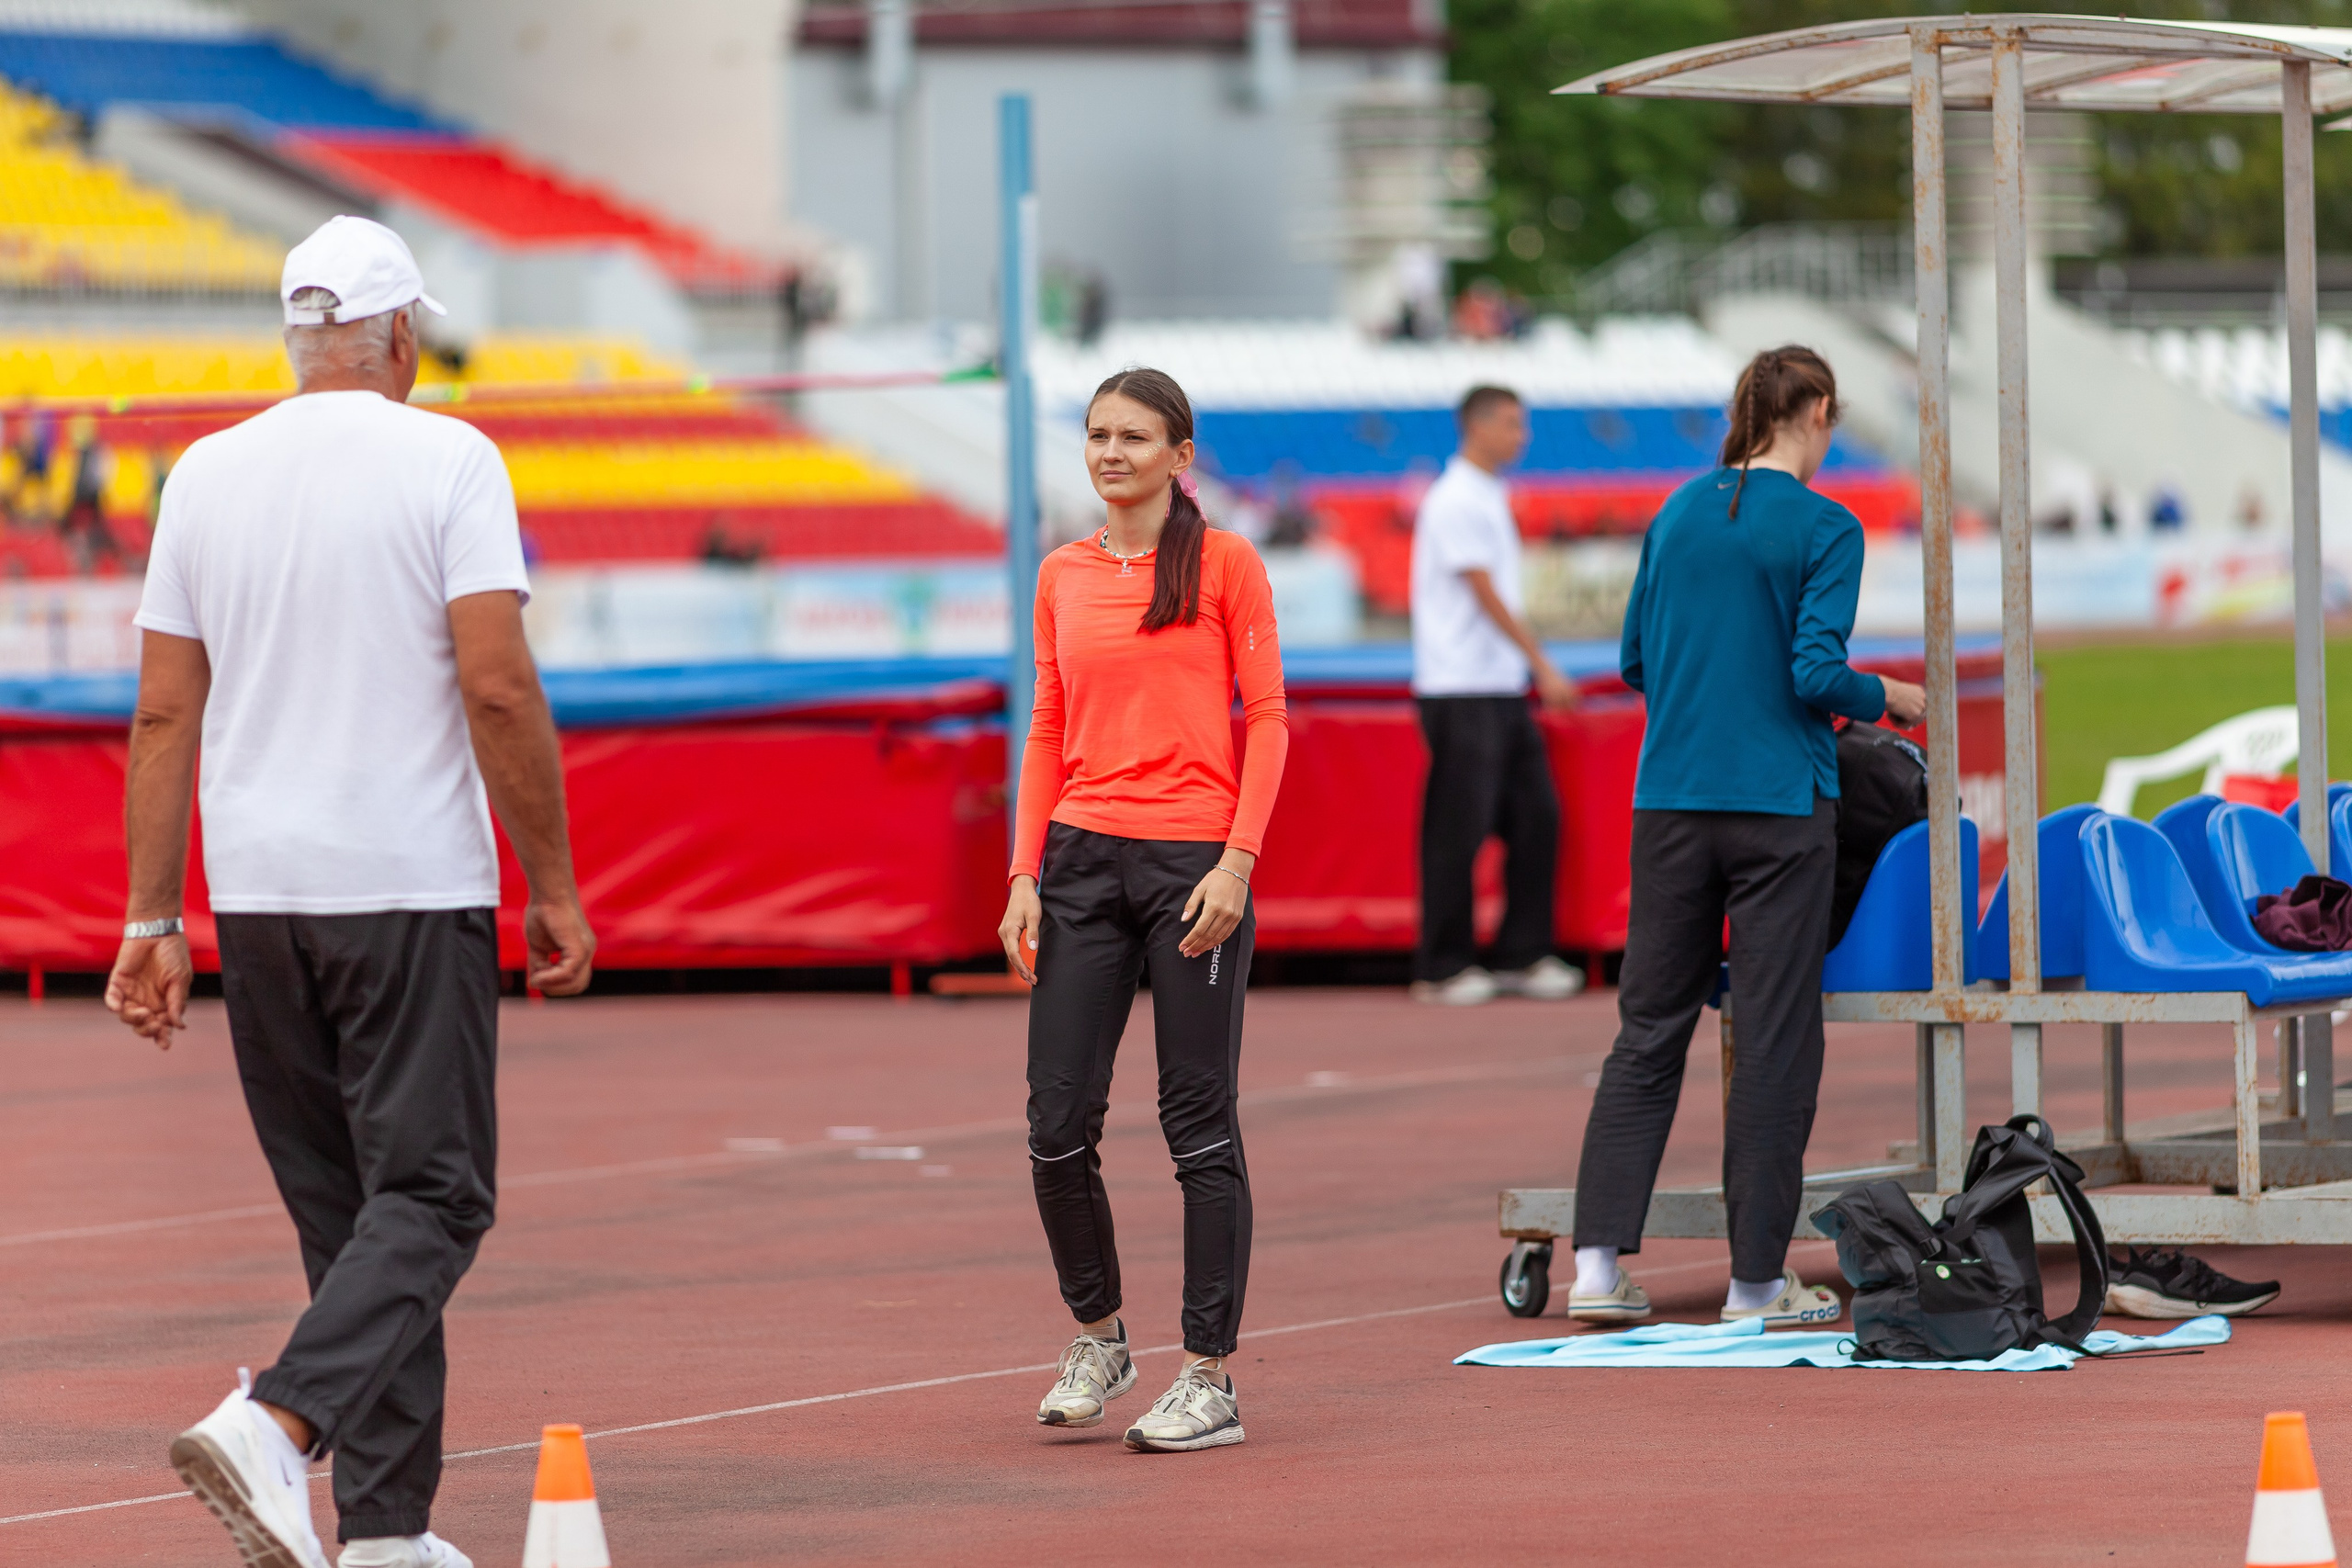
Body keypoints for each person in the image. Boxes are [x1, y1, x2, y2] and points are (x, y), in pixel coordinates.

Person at [104, 215, 596, 1568]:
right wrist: (552, 881)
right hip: (407, 879)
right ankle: (281, 1422)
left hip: (260, 894)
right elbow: (497, 682)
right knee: (435, 1199)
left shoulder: (203, 472)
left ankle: (386, 1531)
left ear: (295, 333)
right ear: (397, 336)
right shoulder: (449, 457)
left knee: (357, 1219)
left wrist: (153, 918)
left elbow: (161, 713)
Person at [1565, 345, 1928, 1328]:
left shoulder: (1679, 510)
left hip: (1672, 801)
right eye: (1831, 418)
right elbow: (1816, 674)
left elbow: (1636, 657)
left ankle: (1595, 1268)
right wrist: (1886, 695)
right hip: (1776, 806)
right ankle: (1755, 1285)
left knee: (1647, 1033)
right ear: (1811, 411)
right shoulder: (1825, 524)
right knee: (1771, 1040)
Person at [997, 367, 1287, 1454]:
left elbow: (1268, 720)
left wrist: (1236, 862)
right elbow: (1044, 722)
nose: (1110, 452)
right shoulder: (1062, 573)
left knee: (1196, 1124)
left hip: (1191, 870)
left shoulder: (1224, 565)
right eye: (1096, 434)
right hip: (1078, 858)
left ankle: (1209, 1375)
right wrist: (1023, 872)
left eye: (1133, 436)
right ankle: (1099, 1335)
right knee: (1053, 1126)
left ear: (1180, 455)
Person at [1408, 384, 1584, 1007]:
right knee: (1458, 828)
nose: (1522, 435)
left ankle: (1521, 951)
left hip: (1498, 685)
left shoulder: (1486, 493)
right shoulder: (1455, 498)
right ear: (1477, 426)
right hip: (1460, 685)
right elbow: (1482, 591)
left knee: (1538, 816)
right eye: (1512, 423)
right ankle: (1443, 963)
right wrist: (1543, 663)